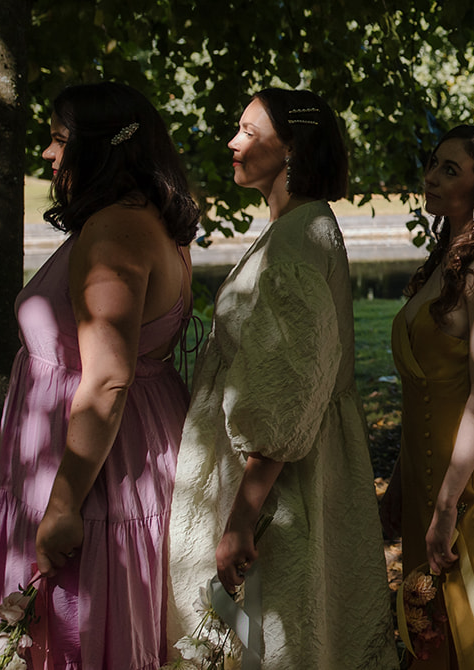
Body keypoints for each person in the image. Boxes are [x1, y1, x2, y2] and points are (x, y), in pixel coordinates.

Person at [0, 81, 198, 669]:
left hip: (94, 469)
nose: (48, 153)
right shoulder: (149, 219)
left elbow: (108, 378)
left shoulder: (117, 231)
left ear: (103, 149)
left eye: (60, 140)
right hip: (121, 446)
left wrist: (63, 505)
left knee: (74, 620)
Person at [165, 88, 396, 668]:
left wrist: (243, 517)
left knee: (272, 629)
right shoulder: (299, 226)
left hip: (276, 483)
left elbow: (286, 389)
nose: (232, 143)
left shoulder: (297, 240)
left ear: (290, 148)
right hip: (276, 469)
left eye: (248, 131)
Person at [380, 124, 474, 669]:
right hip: (425, 479)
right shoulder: (443, 265)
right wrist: (402, 479)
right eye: (433, 164)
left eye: (449, 169)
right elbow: (423, 393)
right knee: (428, 633)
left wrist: (445, 506)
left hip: (465, 489)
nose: (431, 177)